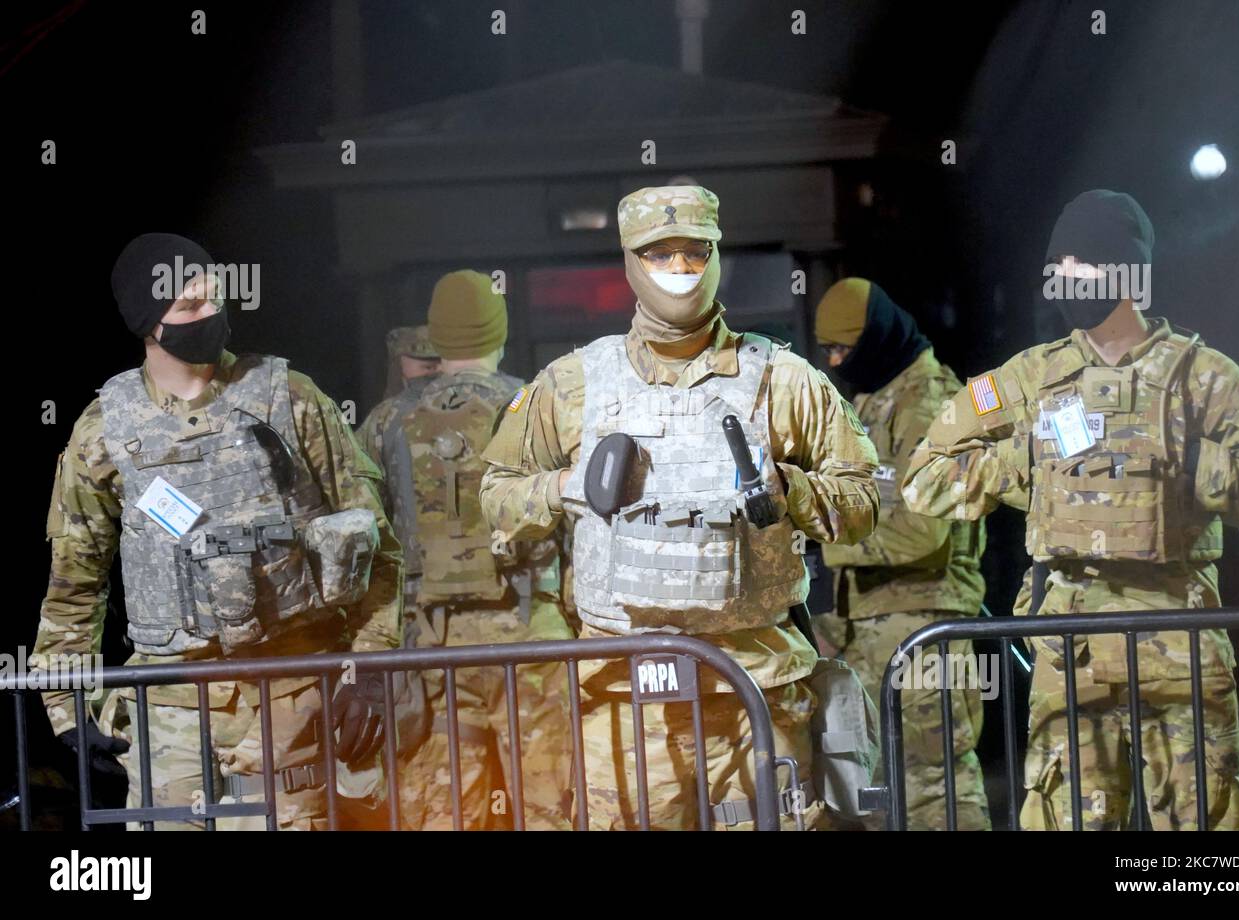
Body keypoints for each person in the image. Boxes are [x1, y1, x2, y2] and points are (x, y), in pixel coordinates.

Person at [480, 186, 880, 829]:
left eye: (695, 252)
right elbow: (496, 493)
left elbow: (862, 498)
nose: (680, 269)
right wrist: (562, 488)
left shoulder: (783, 377)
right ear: (631, 262)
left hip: (757, 695)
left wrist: (792, 493)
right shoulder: (575, 381)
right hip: (622, 701)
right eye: (660, 253)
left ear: (717, 255)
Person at [902, 190, 1239, 830]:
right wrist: (1025, 461)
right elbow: (922, 479)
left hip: (1182, 644)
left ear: (1123, 271)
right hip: (1071, 649)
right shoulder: (1026, 379)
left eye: (1079, 264)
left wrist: (1200, 467)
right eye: (1057, 264)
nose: (1063, 278)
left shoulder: (1203, 378)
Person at [32, 233, 403, 830]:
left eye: (213, 297)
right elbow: (74, 585)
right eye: (187, 307)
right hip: (168, 713)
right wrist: (68, 705)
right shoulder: (103, 431)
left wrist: (369, 674)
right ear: (146, 323)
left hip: (293, 699)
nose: (208, 314)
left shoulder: (291, 400)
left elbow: (379, 549)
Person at [358, 270, 572, 829]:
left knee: (443, 816)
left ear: (438, 337)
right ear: (498, 333)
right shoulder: (536, 407)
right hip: (534, 645)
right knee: (552, 810)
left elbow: (364, 539)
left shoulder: (385, 422)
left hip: (430, 651)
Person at [813, 277, 990, 830]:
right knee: (882, 799)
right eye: (829, 352)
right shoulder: (870, 400)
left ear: (880, 336)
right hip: (869, 632)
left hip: (924, 635)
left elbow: (922, 533)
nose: (839, 361)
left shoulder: (933, 403)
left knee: (936, 797)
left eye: (846, 347)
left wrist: (827, 542)